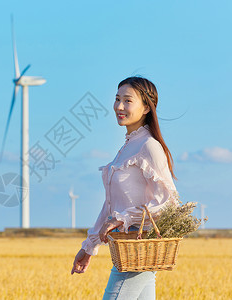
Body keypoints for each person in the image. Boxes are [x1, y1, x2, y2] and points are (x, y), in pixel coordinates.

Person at [70, 76, 178, 299]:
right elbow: (110, 206)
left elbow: (168, 202)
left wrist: (124, 218)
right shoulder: (127, 147)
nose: (119, 106)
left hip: (137, 251)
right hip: (126, 251)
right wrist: (89, 247)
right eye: (117, 99)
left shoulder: (149, 146)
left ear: (147, 107)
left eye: (128, 100)